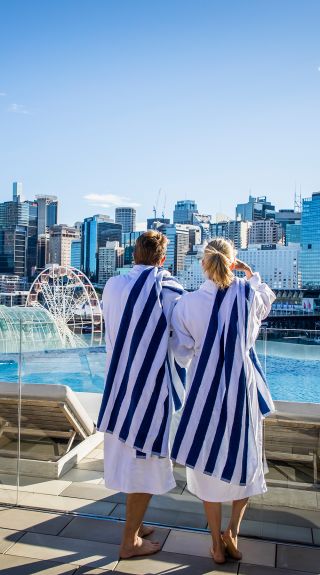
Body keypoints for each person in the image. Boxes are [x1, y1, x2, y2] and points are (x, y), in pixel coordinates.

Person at [170, 237, 276, 564]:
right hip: (241, 391)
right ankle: (233, 532)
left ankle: (216, 542)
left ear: (203, 264)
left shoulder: (187, 304)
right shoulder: (248, 295)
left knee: (205, 466)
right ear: (233, 262)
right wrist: (251, 274)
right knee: (246, 460)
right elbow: (266, 298)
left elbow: (182, 353)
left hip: (204, 392)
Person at [97, 230, 185, 559]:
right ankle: (129, 541)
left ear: (134, 254)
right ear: (163, 259)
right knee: (144, 463)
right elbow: (181, 343)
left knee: (130, 460)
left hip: (118, 388)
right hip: (150, 392)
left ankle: (137, 524)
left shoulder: (113, 285)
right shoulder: (169, 289)